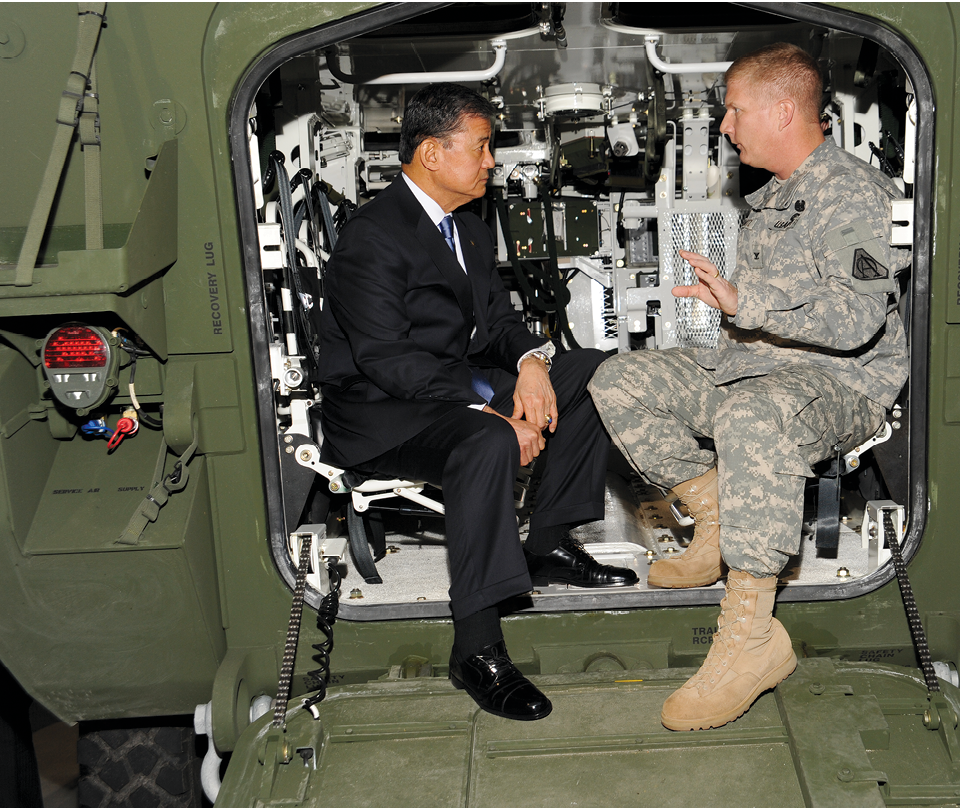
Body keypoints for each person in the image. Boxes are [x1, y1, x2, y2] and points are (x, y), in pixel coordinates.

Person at [589, 43, 908, 731]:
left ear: (783, 109)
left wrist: (744, 301)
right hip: (757, 369)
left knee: (750, 417)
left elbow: (855, 320)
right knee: (621, 380)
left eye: (735, 111)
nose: (728, 127)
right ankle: (717, 521)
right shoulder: (777, 195)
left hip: (838, 385)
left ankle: (752, 637)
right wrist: (734, 318)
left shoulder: (850, 192)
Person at [316, 82, 637, 722]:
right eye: (482, 147)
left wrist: (530, 364)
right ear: (433, 153)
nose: (493, 161)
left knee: (593, 371)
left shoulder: (467, 227)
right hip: (383, 412)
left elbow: (497, 322)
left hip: (449, 384)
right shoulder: (372, 238)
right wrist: (486, 405)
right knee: (487, 439)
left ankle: (545, 541)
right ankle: (477, 647)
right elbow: (388, 359)